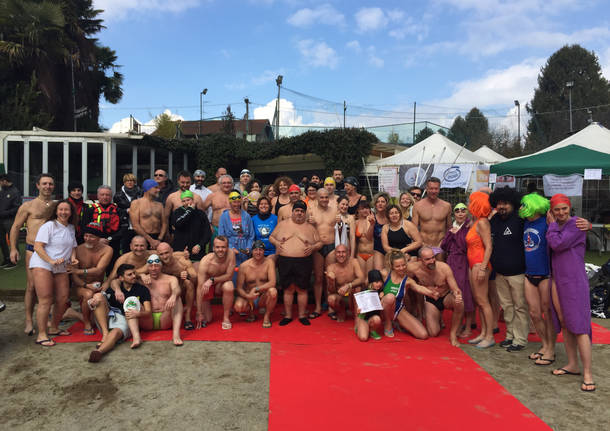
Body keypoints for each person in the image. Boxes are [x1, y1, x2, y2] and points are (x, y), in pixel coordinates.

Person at [546, 194, 595, 391]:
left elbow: (558, 244)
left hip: (574, 282)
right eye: (556, 209)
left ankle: (588, 373)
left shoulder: (576, 224)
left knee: (580, 327)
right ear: (552, 210)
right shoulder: (557, 225)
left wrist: (550, 226)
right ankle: (573, 364)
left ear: (569, 208)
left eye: (563, 208)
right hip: (558, 281)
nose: (561, 213)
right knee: (565, 323)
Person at [10, 173, 57, 335]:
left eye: (50, 184)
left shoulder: (56, 205)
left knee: (49, 287)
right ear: (37, 185)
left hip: (51, 250)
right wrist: (13, 249)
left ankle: (47, 317)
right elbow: (15, 227)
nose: (47, 187)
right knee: (31, 287)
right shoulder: (28, 206)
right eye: (44, 184)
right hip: (32, 250)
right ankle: (29, 319)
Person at [29, 200, 78, 346]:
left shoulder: (70, 227)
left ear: (71, 213)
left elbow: (73, 247)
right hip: (43, 264)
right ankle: (42, 335)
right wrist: (50, 261)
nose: (63, 212)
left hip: (60, 266)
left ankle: (54, 328)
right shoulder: (49, 225)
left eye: (66, 210)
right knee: (46, 299)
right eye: (61, 210)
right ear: (56, 211)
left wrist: (74, 259)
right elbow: (38, 246)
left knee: (63, 298)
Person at [488, 186, 529, 352]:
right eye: (499, 203)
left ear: (513, 203)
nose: (502, 207)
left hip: (518, 273)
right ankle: (510, 336)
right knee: (507, 307)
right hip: (500, 273)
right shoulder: (494, 220)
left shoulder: (521, 219)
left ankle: (520, 339)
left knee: (520, 306)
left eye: (505, 203)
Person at [270, 200, 322, 326]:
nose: (299, 213)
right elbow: (271, 237)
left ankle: (302, 315)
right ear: (292, 212)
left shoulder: (310, 227)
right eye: (297, 211)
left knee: (302, 289)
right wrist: (277, 243)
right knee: (288, 289)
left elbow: (319, 242)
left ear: (305, 213)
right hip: (285, 260)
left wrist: (313, 248)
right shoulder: (283, 224)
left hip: (303, 261)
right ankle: (288, 315)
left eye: (302, 211)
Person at [86, 263, 152, 362]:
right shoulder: (115, 288)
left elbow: (148, 311)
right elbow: (100, 301)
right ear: (121, 278)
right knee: (98, 296)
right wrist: (92, 302)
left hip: (126, 319)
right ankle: (105, 334)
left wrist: (138, 314)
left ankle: (99, 352)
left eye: (134, 273)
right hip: (107, 318)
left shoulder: (142, 289)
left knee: (116, 332)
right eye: (129, 274)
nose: (134, 276)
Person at [518, 193, 555, 364]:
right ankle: (545, 345)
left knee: (547, 312)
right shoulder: (526, 223)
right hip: (529, 274)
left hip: (545, 274)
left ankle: (551, 350)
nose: (521, 208)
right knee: (534, 313)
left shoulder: (546, 222)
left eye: (524, 205)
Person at [407, 247, 464, 346]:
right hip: (431, 299)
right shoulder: (413, 268)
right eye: (428, 259)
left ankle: (453, 334)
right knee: (433, 333)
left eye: (433, 257)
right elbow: (397, 273)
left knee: (459, 302)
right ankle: (438, 316)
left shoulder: (444, 268)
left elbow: (455, 287)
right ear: (420, 260)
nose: (432, 261)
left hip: (446, 297)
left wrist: (457, 294)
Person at [380, 250, 439, 339]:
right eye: (398, 266)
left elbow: (418, 287)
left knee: (423, 335)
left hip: (398, 309)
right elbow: (370, 283)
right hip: (383, 307)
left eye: (403, 265)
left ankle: (396, 322)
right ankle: (388, 324)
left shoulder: (408, 281)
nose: (402, 268)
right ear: (392, 266)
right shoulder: (384, 274)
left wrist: (431, 293)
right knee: (389, 297)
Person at [70, 222, 113, 335]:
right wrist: (86, 285)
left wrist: (79, 271)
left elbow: (99, 270)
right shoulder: (77, 250)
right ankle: (87, 322)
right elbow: (74, 276)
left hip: (98, 285)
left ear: (99, 238)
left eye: (92, 236)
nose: (87, 239)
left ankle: (72, 313)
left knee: (98, 320)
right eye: (86, 236)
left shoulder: (107, 250)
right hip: (81, 285)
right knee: (88, 294)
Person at [465, 191, 495, 349]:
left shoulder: (482, 223)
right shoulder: (477, 222)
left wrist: (483, 268)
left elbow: (489, 246)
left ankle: (489, 335)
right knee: (480, 301)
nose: (469, 205)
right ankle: (484, 333)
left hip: (479, 264)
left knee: (483, 301)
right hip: (474, 264)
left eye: (471, 202)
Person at [441, 203, 475, 338]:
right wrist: (452, 234)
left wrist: (456, 234)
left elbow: (464, 246)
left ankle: (468, 326)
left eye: (463, 211)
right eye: (457, 211)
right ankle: (460, 323)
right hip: (452, 262)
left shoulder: (468, 226)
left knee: (465, 293)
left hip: (463, 262)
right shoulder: (453, 226)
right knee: (454, 292)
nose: (460, 213)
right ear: (454, 214)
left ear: (467, 212)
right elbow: (444, 245)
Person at [138, 254, 184, 346]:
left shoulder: (170, 279)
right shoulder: (141, 280)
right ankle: (136, 337)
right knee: (132, 300)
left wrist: (173, 296)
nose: (154, 268)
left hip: (165, 318)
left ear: (161, 267)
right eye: (151, 266)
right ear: (147, 267)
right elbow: (118, 278)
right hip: (147, 319)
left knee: (177, 299)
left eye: (156, 266)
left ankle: (176, 335)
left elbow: (176, 289)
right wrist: (141, 275)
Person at [308, 188, 338, 319]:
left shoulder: (335, 210)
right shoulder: (311, 211)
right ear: (317, 198)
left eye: (326, 197)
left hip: (331, 246)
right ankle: (318, 307)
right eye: (322, 197)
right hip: (317, 247)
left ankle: (331, 307)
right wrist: (311, 224)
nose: (324, 200)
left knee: (330, 278)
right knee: (319, 278)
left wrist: (340, 221)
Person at [153, 242, 198, 330]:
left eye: (166, 253)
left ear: (171, 251)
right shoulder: (156, 262)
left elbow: (194, 276)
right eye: (161, 254)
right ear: (157, 254)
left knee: (189, 283)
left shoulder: (181, 260)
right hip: (165, 292)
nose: (165, 256)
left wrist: (187, 274)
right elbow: (141, 270)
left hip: (180, 290)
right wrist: (144, 275)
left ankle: (187, 317)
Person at [234, 240, 278, 327]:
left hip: (263, 296)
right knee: (238, 307)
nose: (258, 252)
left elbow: (272, 282)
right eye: (256, 250)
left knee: (273, 291)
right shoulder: (244, 266)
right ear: (252, 251)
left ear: (264, 251)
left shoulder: (269, 263)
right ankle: (251, 313)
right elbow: (239, 288)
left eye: (261, 250)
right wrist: (248, 296)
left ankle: (266, 316)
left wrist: (256, 289)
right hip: (249, 296)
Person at [195, 236, 236, 329]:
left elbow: (229, 276)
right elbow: (199, 287)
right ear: (213, 248)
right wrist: (199, 312)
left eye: (223, 247)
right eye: (217, 247)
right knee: (208, 319)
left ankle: (226, 317)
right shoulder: (205, 262)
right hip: (207, 288)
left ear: (227, 247)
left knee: (229, 286)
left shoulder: (231, 255)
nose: (220, 250)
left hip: (220, 283)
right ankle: (201, 306)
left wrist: (212, 280)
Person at [80, 185, 122, 272]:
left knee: (112, 269)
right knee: (93, 268)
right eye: (102, 195)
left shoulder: (118, 210)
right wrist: (98, 240)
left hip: (112, 242)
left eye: (107, 195)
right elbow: (84, 227)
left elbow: (123, 230)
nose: (105, 197)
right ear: (98, 196)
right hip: (93, 244)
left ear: (111, 196)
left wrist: (109, 239)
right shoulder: (89, 210)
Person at [325, 244, 365, 322]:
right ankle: (341, 311)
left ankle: (356, 315)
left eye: (343, 252)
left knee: (358, 288)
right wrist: (331, 281)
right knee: (331, 299)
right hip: (341, 296)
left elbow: (362, 278)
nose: (341, 255)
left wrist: (348, 285)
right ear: (335, 254)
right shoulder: (331, 268)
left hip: (353, 294)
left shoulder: (354, 262)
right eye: (338, 252)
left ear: (348, 253)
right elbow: (331, 291)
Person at [412, 177, 452, 251]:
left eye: (436, 188)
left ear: (439, 189)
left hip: (440, 245)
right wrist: (421, 244)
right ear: (426, 189)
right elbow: (413, 229)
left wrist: (444, 243)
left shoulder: (446, 206)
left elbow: (449, 228)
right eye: (431, 188)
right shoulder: (418, 206)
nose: (433, 191)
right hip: (423, 245)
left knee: (440, 262)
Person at [170, 190, 211, 262]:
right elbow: (178, 223)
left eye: (188, 200)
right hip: (181, 250)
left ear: (193, 200)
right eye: (184, 201)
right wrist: (189, 210)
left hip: (197, 251)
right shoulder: (177, 212)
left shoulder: (201, 213)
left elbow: (207, 233)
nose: (186, 203)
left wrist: (200, 245)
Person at [218, 191, 255, 270]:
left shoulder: (246, 216)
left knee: (245, 271)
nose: (236, 204)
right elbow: (221, 236)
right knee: (232, 272)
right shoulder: (224, 216)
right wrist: (230, 248)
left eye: (238, 202)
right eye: (234, 202)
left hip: (244, 247)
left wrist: (249, 247)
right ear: (230, 203)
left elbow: (251, 235)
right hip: (230, 247)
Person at [130, 179, 167, 249]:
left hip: (158, 238)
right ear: (148, 188)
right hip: (142, 238)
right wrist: (150, 240)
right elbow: (135, 225)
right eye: (156, 188)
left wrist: (159, 239)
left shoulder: (160, 205)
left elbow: (164, 223)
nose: (158, 190)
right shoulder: (136, 203)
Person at [113, 173, 141, 254]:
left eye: (132, 181)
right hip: (124, 225)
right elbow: (116, 210)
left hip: (138, 225)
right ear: (124, 182)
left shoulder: (140, 193)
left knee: (138, 248)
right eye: (128, 181)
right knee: (125, 249)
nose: (130, 182)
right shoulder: (118, 195)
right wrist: (126, 211)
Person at [354, 269, 384, 341]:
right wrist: (358, 311)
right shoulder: (364, 292)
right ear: (371, 283)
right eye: (376, 282)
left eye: (380, 282)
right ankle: (360, 327)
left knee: (377, 319)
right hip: (363, 318)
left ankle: (372, 330)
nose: (379, 284)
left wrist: (381, 299)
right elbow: (358, 311)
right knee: (363, 338)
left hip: (373, 318)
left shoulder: (382, 292)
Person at [0, 174, 21, 269]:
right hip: (1, 220)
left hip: (10, 220)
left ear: (4, 181)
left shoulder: (15, 192)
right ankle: (7, 258)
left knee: (13, 240)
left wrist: (4, 213)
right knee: (2, 240)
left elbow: (17, 208)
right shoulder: (2, 191)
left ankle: (14, 260)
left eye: (0, 182)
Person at [355, 200, 375, 275]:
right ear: (358, 210)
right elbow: (353, 240)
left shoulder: (373, 221)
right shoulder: (356, 222)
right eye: (362, 208)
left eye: (367, 208)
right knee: (362, 278)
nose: (365, 210)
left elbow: (369, 237)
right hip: (360, 254)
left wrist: (370, 221)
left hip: (371, 253)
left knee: (369, 279)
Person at [372, 192, 390, 271]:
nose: (380, 204)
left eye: (383, 202)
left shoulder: (391, 218)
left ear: (387, 204)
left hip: (390, 248)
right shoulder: (372, 218)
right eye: (378, 202)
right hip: (377, 249)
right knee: (379, 273)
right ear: (375, 204)